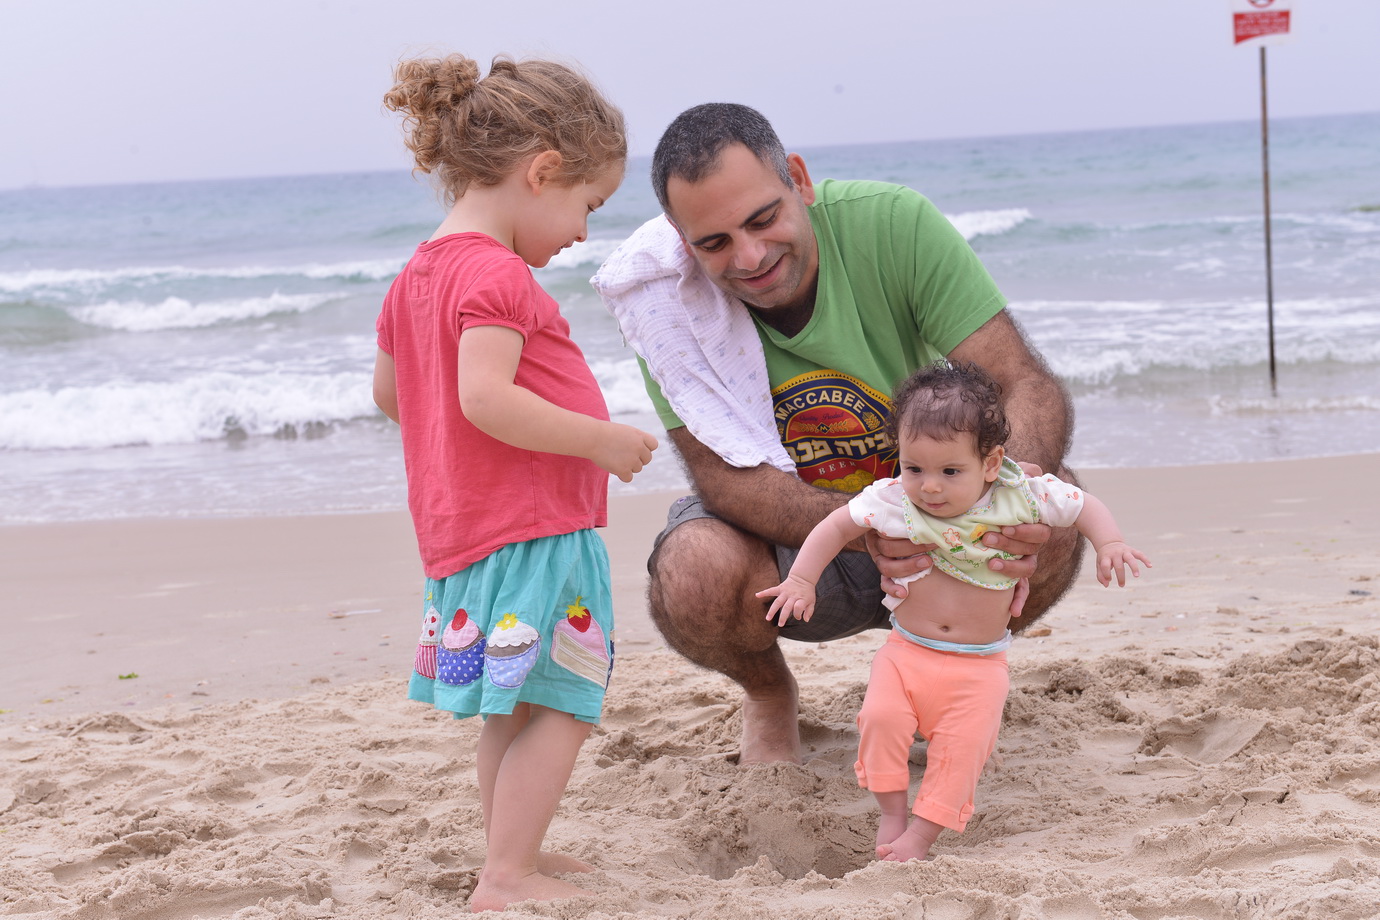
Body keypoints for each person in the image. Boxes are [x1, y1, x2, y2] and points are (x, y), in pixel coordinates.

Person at [591, 103, 1082, 764]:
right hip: (795, 551)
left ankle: (945, 673)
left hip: (945, 526)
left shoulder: (892, 224)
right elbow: (722, 481)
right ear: (682, 242)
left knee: (1052, 511)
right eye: (714, 243)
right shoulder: (662, 307)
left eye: (763, 219)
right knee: (694, 572)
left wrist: (994, 509)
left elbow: (1022, 382)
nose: (750, 257)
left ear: (798, 179)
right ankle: (768, 694)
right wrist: (871, 529)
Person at [372, 53, 657, 912]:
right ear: (542, 171)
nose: (583, 233)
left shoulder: (417, 274)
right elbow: (486, 397)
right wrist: (600, 440)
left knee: (515, 704)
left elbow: (393, 395)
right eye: (588, 204)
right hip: (536, 530)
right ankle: (506, 876)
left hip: (470, 530)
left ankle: (511, 849)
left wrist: (465, 452)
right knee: (567, 698)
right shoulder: (497, 273)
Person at [758, 362, 1150, 862]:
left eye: (949, 471)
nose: (930, 487)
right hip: (906, 652)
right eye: (914, 468)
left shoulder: (1020, 494)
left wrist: (1109, 542)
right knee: (879, 720)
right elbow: (836, 525)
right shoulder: (895, 501)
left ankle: (920, 838)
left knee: (961, 753)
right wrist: (801, 579)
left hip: (979, 666)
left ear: (991, 463)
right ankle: (892, 812)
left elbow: (1082, 506)